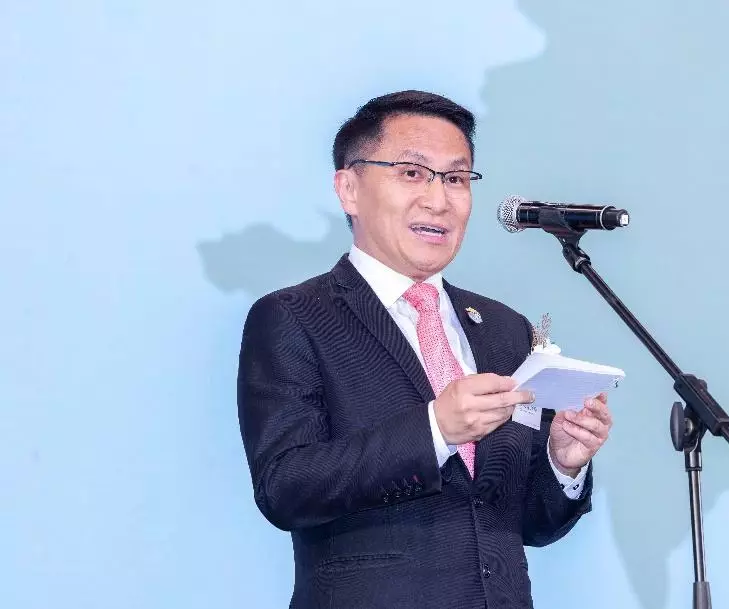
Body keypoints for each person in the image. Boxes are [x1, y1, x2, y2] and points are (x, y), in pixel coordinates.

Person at [236, 90, 613, 609]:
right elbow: (285, 487)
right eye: (412, 173)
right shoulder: (296, 316)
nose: (439, 200)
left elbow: (529, 523)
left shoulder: (504, 330)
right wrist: (435, 429)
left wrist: (562, 463)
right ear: (349, 189)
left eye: (456, 179)